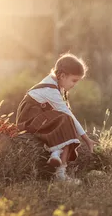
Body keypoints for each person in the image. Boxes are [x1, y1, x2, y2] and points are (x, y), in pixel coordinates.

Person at [16, 53, 97, 182]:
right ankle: (60, 174)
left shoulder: (56, 83)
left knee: (65, 120)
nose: (75, 84)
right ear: (63, 76)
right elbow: (68, 114)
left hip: (41, 117)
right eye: (74, 80)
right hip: (30, 120)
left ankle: (55, 154)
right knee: (67, 119)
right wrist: (86, 139)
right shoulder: (50, 90)